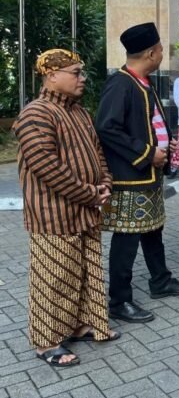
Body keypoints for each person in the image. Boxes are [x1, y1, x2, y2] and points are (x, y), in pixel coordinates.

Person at [14, 49, 121, 367]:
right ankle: (46, 342)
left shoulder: (80, 112)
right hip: (53, 216)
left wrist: (105, 183)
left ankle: (78, 326)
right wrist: (90, 194)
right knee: (54, 278)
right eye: (75, 73)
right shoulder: (35, 114)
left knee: (84, 273)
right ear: (52, 76)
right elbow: (48, 168)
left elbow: (98, 153)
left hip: (84, 211)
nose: (82, 78)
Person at [96, 22, 179, 323]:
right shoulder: (121, 83)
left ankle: (160, 280)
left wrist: (166, 141)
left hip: (149, 175)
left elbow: (150, 123)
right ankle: (119, 300)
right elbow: (106, 127)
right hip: (130, 177)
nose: (163, 55)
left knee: (153, 230)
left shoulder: (144, 82)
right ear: (151, 53)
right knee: (127, 238)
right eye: (161, 50)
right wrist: (148, 152)